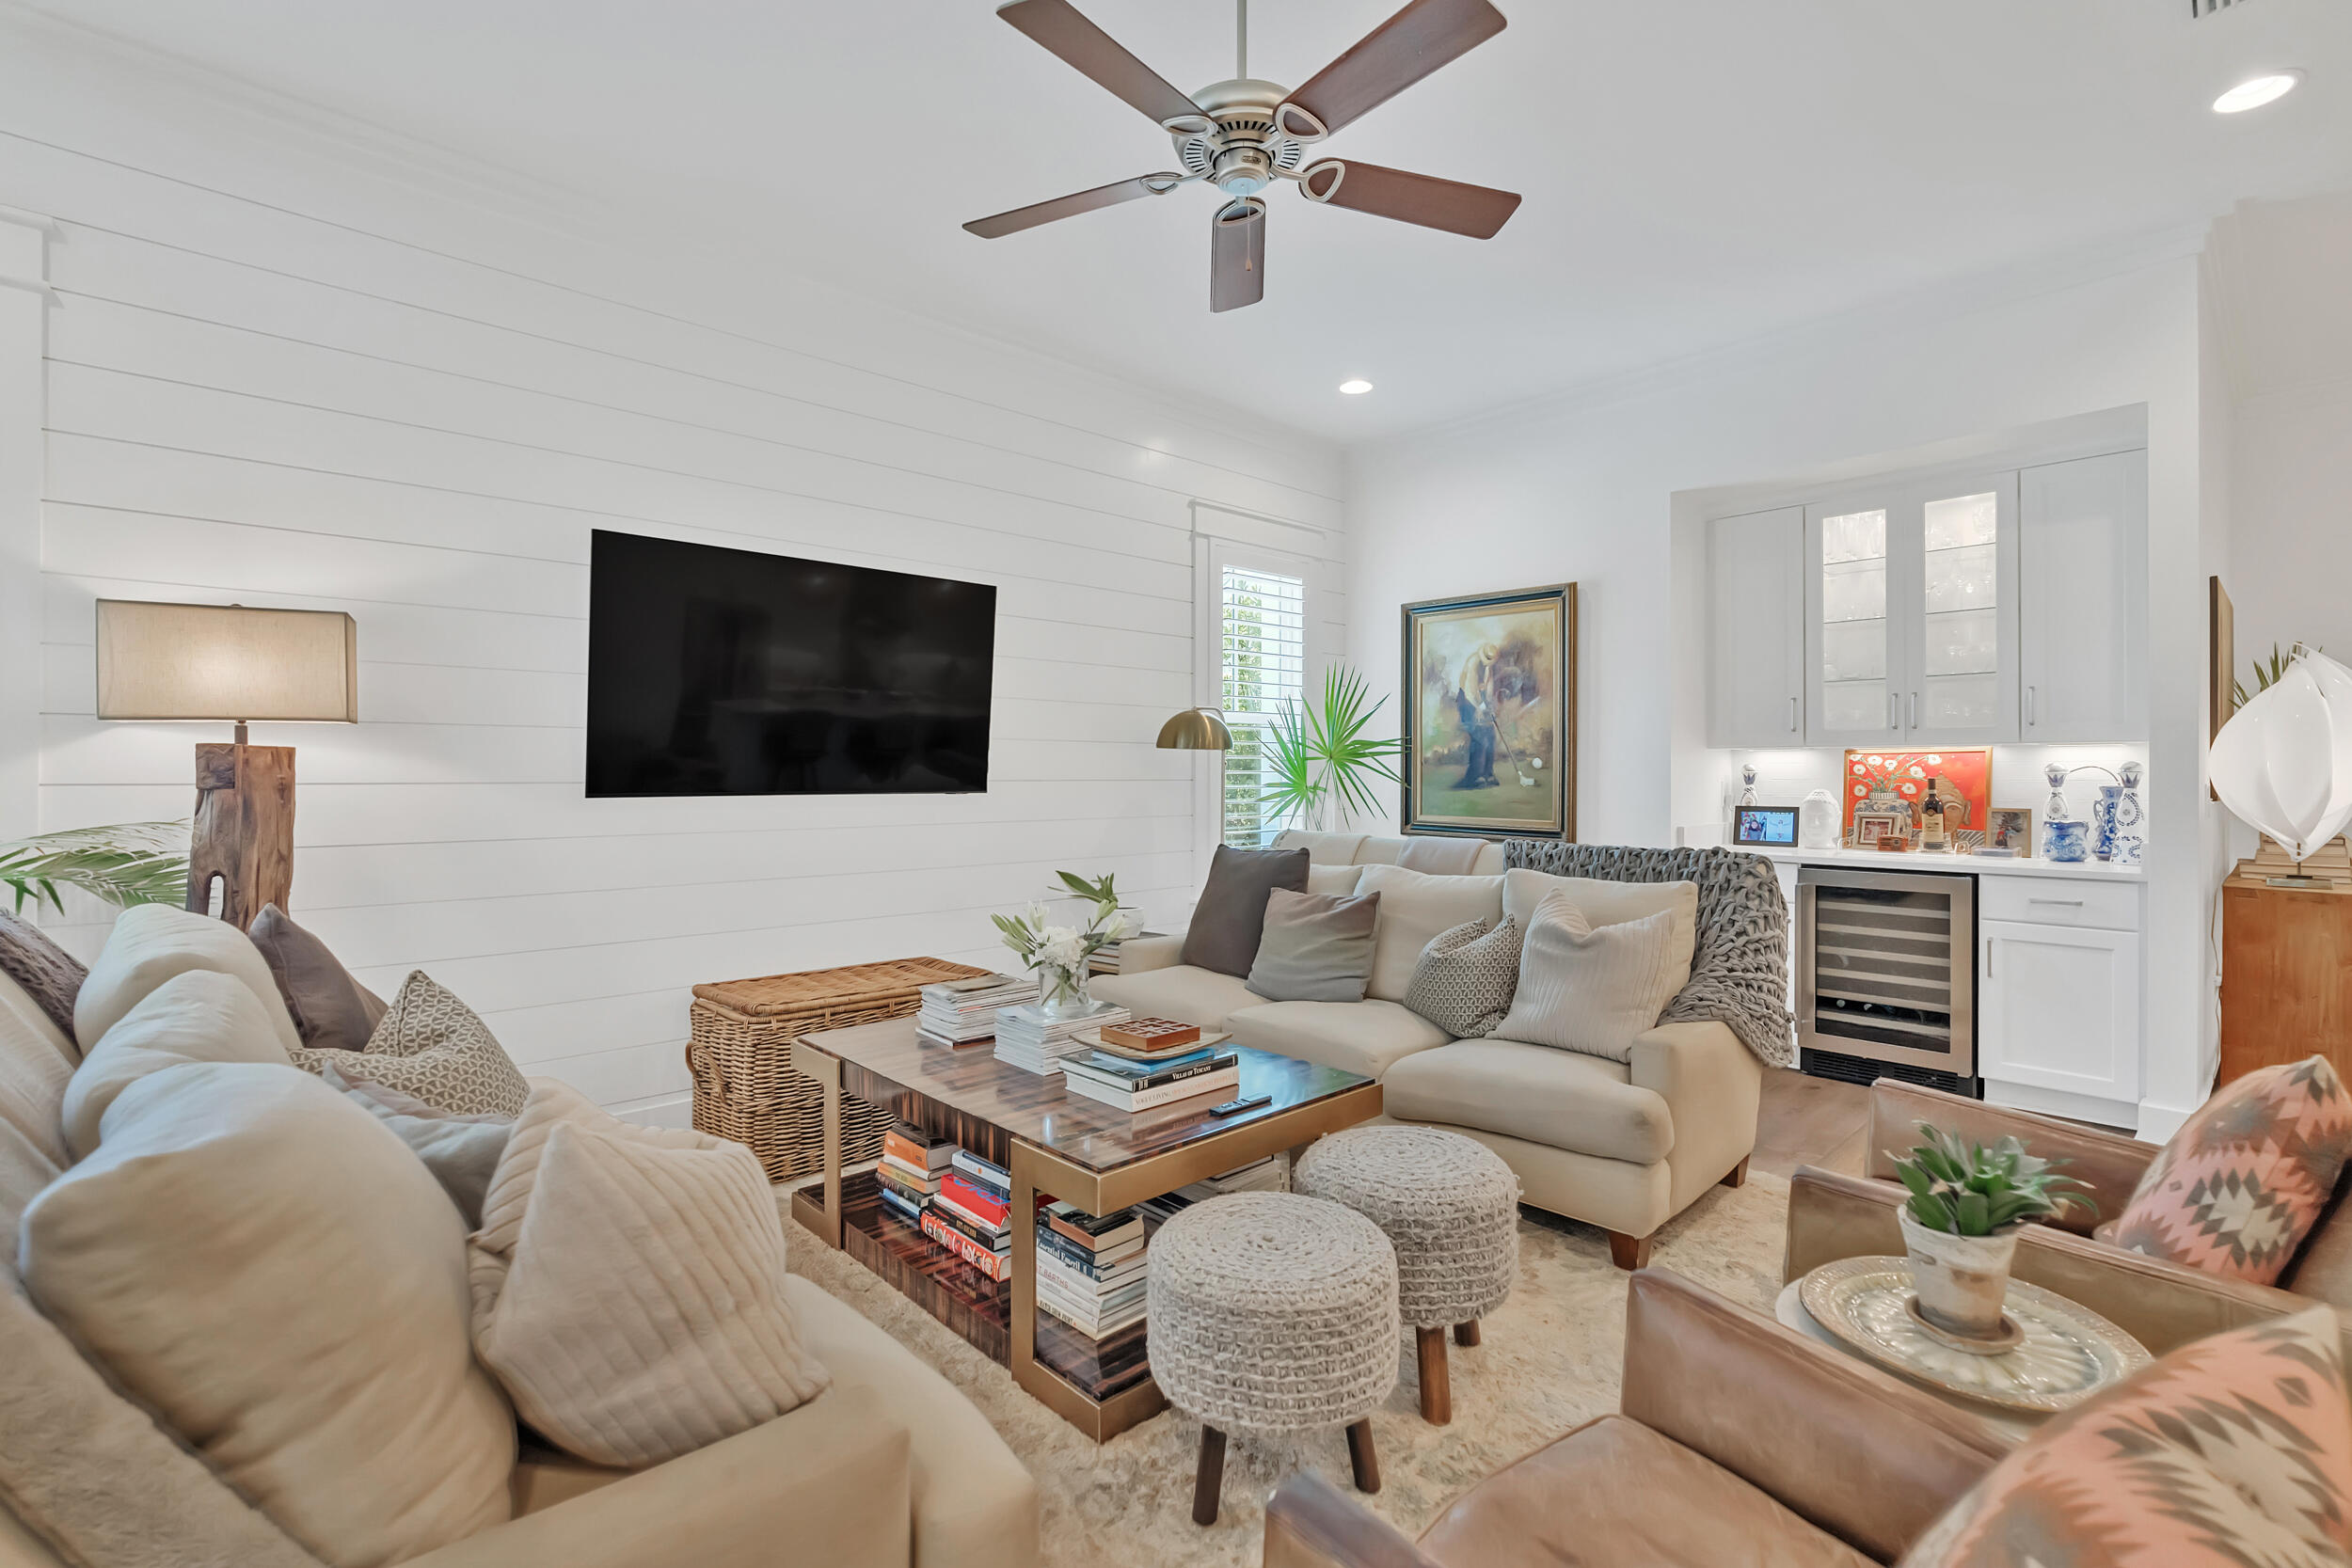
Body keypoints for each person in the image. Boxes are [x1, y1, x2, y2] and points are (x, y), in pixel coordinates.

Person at [1453, 643, 1502, 789]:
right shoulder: (1473, 662)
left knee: (1490, 735)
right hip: (1466, 701)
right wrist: (1479, 708)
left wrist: (1490, 707)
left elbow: (1489, 688)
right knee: (1478, 737)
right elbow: (1469, 690)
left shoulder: (1488, 666)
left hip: (1480, 700)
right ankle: (1475, 777)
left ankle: (1488, 774)